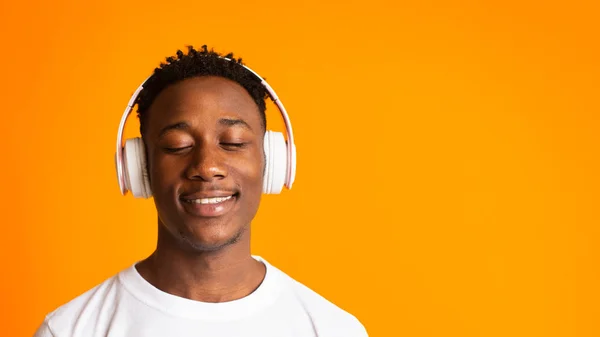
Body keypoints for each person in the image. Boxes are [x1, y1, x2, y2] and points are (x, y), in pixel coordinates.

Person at [33, 45, 368, 337]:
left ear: (274, 160)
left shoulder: (333, 330)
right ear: (139, 167)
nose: (207, 166)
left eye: (233, 143)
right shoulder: (69, 330)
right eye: (178, 145)